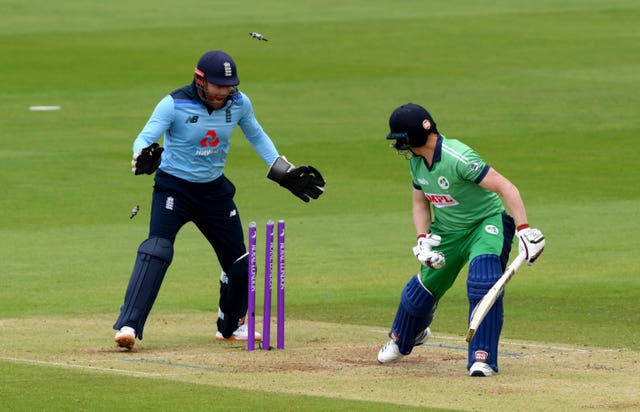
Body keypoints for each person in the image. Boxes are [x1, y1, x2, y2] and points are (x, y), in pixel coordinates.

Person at [113, 50, 325, 350]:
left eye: (228, 86)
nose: (223, 93)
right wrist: (144, 153)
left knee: (240, 264)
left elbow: (257, 136)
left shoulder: (238, 103)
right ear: (201, 81)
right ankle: (129, 324)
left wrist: (282, 170)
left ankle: (231, 326)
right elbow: (144, 137)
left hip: (214, 192)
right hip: (174, 188)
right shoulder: (173, 104)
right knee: (158, 249)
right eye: (217, 86)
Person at [377, 103, 545, 376]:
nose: (400, 146)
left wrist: (524, 229)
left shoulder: (459, 157)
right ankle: (404, 337)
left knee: (483, 281)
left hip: (485, 223)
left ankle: (482, 357)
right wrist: (422, 240)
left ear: (416, 136)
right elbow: (420, 204)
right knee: (421, 291)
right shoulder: (417, 163)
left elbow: (505, 186)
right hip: (448, 231)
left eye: (402, 139)